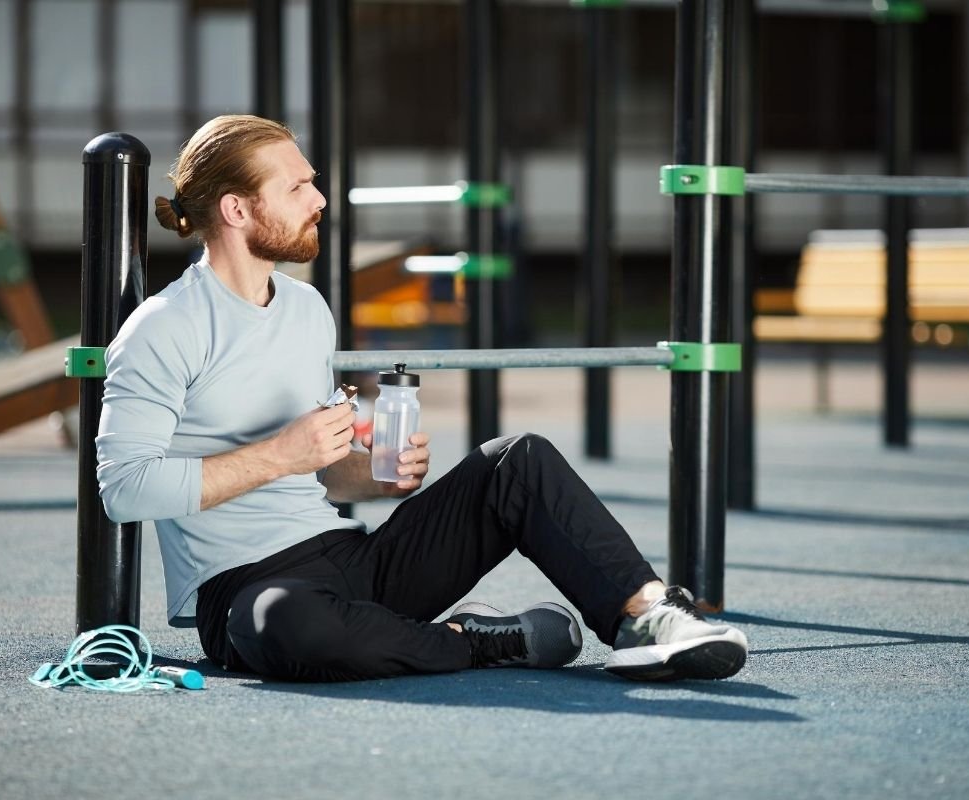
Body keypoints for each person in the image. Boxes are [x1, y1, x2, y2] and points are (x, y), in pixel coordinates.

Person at [96, 114, 748, 683]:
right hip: (250, 587)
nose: (319, 198)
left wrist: (375, 473)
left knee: (518, 460)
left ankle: (647, 619)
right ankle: (475, 644)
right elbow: (124, 488)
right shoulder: (164, 328)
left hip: (353, 558)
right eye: (297, 186)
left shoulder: (306, 308)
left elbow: (318, 466)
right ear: (237, 210)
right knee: (286, 626)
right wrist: (278, 456)